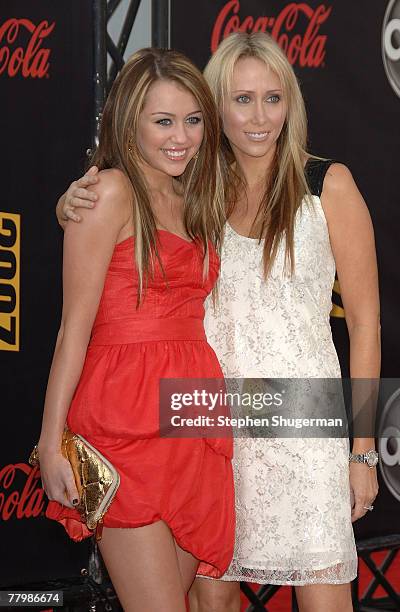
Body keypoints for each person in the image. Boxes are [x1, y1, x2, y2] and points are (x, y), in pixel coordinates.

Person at [57, 33, 380, 612]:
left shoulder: (329, 185)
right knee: (213, 597)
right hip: (209, 418)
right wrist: (72, 202)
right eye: (241, 99)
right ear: (216, 108)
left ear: (292, 103)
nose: (260, 117)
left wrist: (361, 453)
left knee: (325, 595)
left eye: (273, 98)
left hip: (305, 419)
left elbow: (366, 323)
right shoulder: (199, 189)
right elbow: (125, 202)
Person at [38, 47, 235, 612]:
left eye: (193, 120)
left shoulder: (193, 195)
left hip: (192, 416)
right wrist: (51, 444)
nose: (181, 137)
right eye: (163, 121)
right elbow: (71, 330)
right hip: (125, 422)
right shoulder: (109, 192)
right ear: (130, 122)